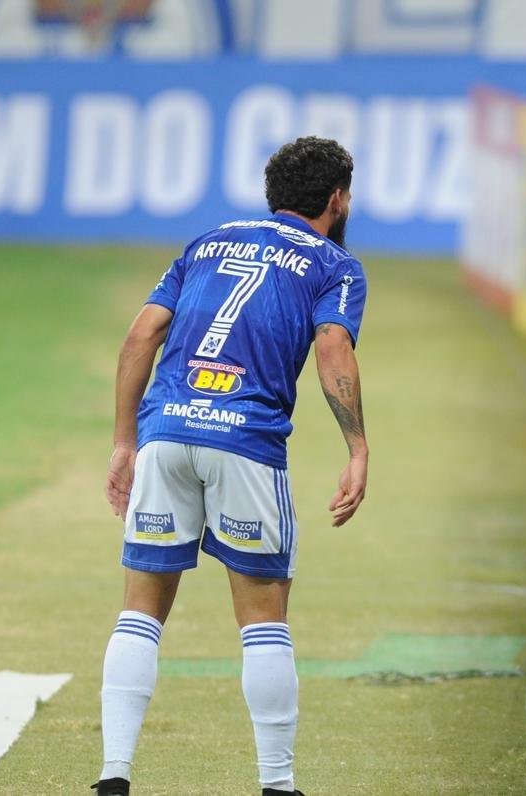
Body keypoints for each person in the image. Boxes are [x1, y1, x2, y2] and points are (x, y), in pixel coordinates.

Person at [96, 136, 368, 795]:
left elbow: (141, 335)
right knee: (264, 619)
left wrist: (126, 440)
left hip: (166, 431)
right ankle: (277, 785)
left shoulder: (206, 242)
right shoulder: (336, 264)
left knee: (140, 611)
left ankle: (114, 776)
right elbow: (332, 344)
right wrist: (357, 447)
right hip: (246, 440)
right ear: (336, 198)